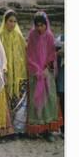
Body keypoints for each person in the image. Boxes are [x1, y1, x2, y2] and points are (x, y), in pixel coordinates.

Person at [26, 11, 62, 141]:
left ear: (46, 25)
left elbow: (52, 54)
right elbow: (29, 54)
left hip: (47, 74)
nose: (40, 28)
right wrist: (36, 70)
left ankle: (48, 131)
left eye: (42, 25)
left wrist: (47, 68)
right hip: (35, 74)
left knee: (49, 100)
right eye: (37, 25)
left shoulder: (50, 36)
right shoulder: (32, 35)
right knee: (36, 102)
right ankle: (36, 129)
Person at [0, 9, 28, 134]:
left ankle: (19, 129)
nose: (12, 24)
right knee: (7, 101)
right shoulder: (0, 37)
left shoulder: (19, 36)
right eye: (10, 21)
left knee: (19, 102)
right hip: (5, 74)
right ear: (5, 21)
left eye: (15, 21)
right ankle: (8, 130)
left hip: (20, 75)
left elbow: (24, 55)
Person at [55, 33, 65, 135]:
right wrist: (58, 53)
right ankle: (63, 129)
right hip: (63, 74)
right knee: (63, 100)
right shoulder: (59, 39)